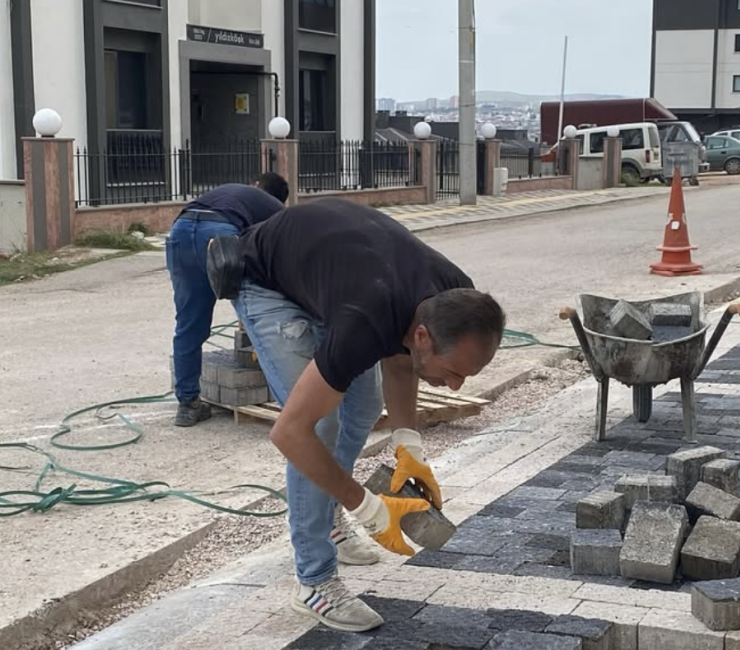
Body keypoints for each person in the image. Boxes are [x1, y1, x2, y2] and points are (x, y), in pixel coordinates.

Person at [207, 198, 505, 633]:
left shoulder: (454, 296)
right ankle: (314, 581)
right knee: (318, 425)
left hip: (335, 276)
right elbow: (290, 433)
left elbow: (404, 355)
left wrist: (409, 444)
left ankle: (324, 515)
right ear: (425, 335)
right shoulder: (366, 318)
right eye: (454, 373)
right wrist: (365, 506)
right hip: (265, 280)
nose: (457, 386)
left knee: (364, 404)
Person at [167, 172, 288, 427]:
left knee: (189, 324)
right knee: (257, 310)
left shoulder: (231, 190)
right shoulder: (276, 210)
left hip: (181, 230)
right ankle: (287, 399)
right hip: (220, 233)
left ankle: (187, 406)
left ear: (256, 185)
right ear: (279, 199)